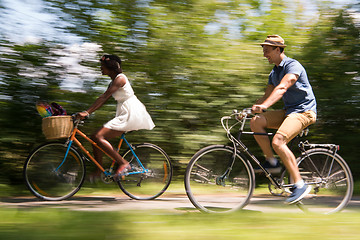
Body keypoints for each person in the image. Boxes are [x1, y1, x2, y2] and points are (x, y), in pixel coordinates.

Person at [250, 35, 317, 204]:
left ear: (278, 49)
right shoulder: (274, 72)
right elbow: (266, 96)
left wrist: (264, 106)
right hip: (289, 112)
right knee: (256, 121)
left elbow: (282, 88)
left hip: (304, 112)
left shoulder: (292, 65)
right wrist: (249, 109)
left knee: (278, 141)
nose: (264, 54)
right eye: (263, 50)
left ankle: (300, 184)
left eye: (267, 50)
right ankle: (272, 162)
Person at [77, 54, 155, 180]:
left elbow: (104, 97)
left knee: (98, 136)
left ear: (110, 66)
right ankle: (99, 170)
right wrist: (88, 112)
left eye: (103, 66)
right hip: (124, 111)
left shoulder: (120, 79)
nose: (101, 68)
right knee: (94, 137)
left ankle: (124, 163)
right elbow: (102, 99)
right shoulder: (113, 82)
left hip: (131, 112)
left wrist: (87, 112)